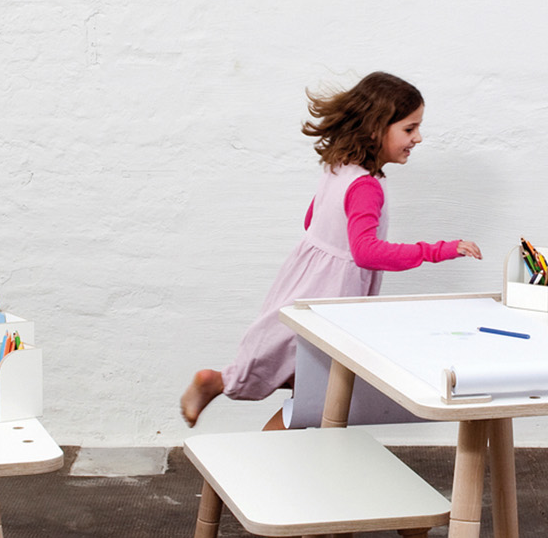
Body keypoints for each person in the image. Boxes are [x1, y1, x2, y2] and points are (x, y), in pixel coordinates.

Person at [181, 72, 482, 429]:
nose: (417, 138)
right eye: (409, 129)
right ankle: (253, 442)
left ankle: (223, 384)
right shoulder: (367, 187)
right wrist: (438, 250)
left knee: (304, 380)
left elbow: (312, 218)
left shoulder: (338, 168)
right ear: (375, 128)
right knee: (319, 391)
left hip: (304, 281)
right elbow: (367, 253)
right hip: (332, 296)